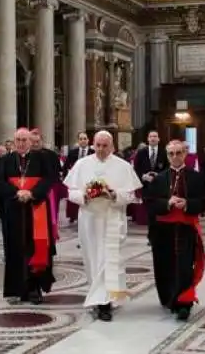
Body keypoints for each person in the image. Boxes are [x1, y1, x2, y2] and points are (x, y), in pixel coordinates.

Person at [64, 130, 141, 321]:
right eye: (97, 145)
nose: (100, 149)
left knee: (109, 260)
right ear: (92, 145)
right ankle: (97, 296)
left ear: (112, 146)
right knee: (92, 258)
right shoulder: (82, 164)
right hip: (89, 219)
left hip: (113, 218)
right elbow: (71, 192)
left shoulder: (123, 166)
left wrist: (114, 195)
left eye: (104, 145)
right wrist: (84, 196)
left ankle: (105, 302)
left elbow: (131, 195)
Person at [144, 140, 205, 321]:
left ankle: (184, 303)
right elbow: (150, 205)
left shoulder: (196, 177)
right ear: (167, 156)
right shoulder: (159, 179)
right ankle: (168, 298)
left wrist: (187, 204)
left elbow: (204, 204)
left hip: (186, 229)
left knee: (184, 266)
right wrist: (167, 203)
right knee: (164, 265)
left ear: (185, 154)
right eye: (171, 153)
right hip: (162, 230)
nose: (175, 157)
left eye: (179, 153)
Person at [0, 128, 58, 304]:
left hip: (36, 208)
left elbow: (48, 180)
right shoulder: (7, 159)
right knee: (14, 249)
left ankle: (34, 288)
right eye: (18, 140)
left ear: (31, 141)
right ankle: (15, 289)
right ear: (14, 141)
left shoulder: (41, 158)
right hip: (14, 209)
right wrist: (17, 193)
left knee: (35, 247)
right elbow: (0, 182)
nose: (21, 143)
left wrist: (31, 193)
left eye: (24, 140)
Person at [132, 131, 169, 232]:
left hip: (160, 187)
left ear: (158, 139)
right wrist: (143, 176)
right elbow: (136, 168)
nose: (153, 138)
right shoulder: (141, 152)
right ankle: (152, 232)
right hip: (146, 186)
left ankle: (159, 231)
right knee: (149, 211)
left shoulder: (164, 152)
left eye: (155, 136)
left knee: (159, 211)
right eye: (151, 136)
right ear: (148, 139)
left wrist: (159, 176)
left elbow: (168, 168)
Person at [64, 131, 93, 224]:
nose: (83, 141)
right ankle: (73, 215)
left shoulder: (93, 152)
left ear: (88, 140)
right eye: (81, 139)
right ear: (78, 141)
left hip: (89, 179)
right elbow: (66, 166)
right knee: (74, 197)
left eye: (85, 138)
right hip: (75, 179)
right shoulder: (72, 152)